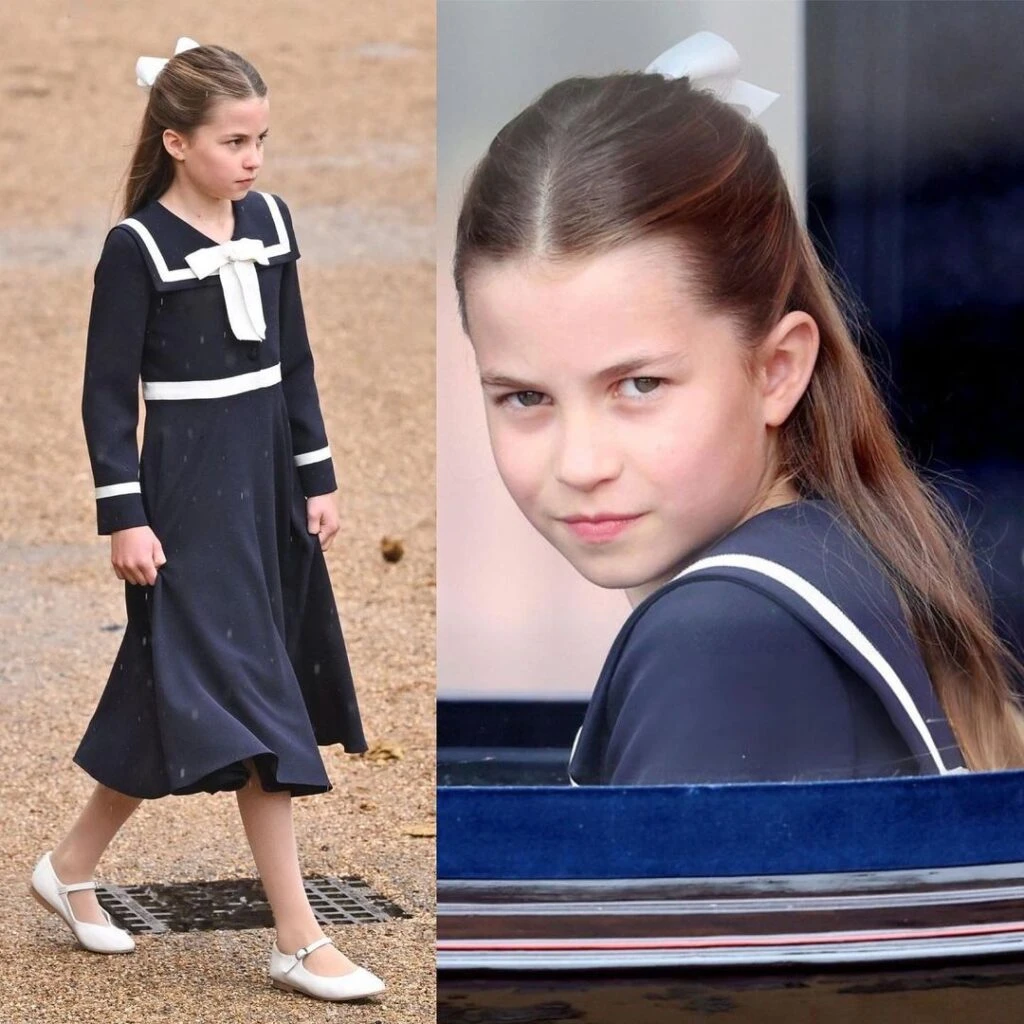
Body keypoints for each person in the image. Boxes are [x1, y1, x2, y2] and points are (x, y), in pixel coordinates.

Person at [452, 33, 1024, 785]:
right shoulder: (847, 554)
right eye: (526, 398)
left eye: (640, 386)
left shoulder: (718, 637)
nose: (581, 464)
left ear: (778, 370)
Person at [28, 38, 385, 1002]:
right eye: (235, 141)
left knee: (174, 686)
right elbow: (107, 399)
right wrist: (125, 517)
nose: (254, 159)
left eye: (262, 138)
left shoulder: (271, 221)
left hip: (266, 479)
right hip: (186, 494)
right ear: (178, 142)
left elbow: (298, 361)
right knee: (259, 698)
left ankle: (67, 867)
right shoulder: (136, 249)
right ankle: (299, 938)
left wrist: (317, 476)